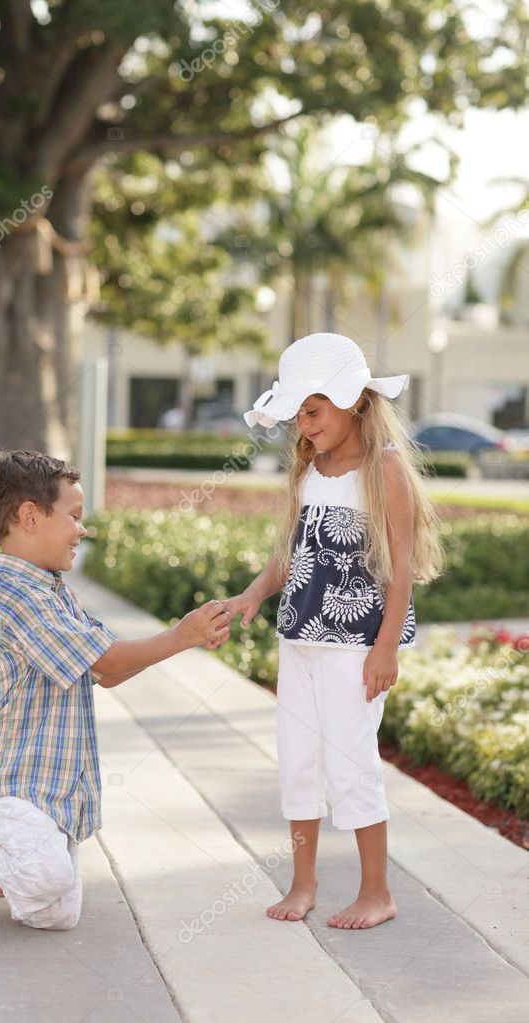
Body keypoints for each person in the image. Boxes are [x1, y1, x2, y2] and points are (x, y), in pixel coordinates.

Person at [0, 449, 231, 930]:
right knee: (47, 875)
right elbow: (106, 660)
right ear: (29, 517)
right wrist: (181, 634)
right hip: (12, 785)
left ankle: (5, 857)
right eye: (74, 516)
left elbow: (106, 671)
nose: (83, 529)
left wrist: (181, 643)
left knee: (57, 913)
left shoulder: (53, 591)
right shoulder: (20, 599)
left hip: (51, 790)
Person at [226, 333, 443, 930]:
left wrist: (384, 650)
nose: (305, 424)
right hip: (299, 638)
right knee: (298, 761)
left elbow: (400, 568)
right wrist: (251, 595)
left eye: (314, 410)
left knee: (350, 761)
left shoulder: (384, 468)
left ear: (351, 402)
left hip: (357, 646)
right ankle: (304, 883)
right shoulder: (309, 469)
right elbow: (289, 556)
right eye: (298, 413)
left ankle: (377, 891)